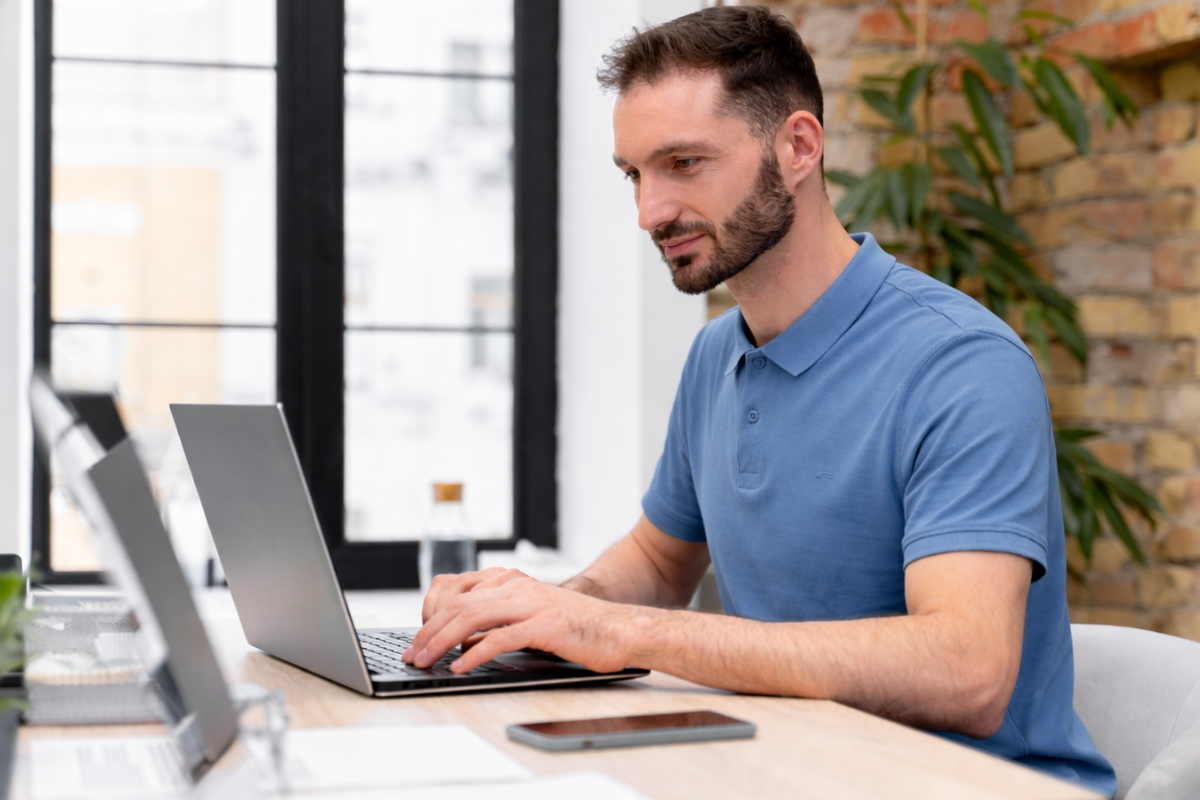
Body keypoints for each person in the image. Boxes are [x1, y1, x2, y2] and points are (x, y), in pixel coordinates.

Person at [403, 6, 1116, 795]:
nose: (649, 212)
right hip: (783, 772)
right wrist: (541, 614)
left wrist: (620, 630)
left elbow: (968, 673)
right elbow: (655, 561)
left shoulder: (961, 365)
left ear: (799, 147)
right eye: (635, 173)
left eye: (684, 163)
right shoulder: (718, 353)